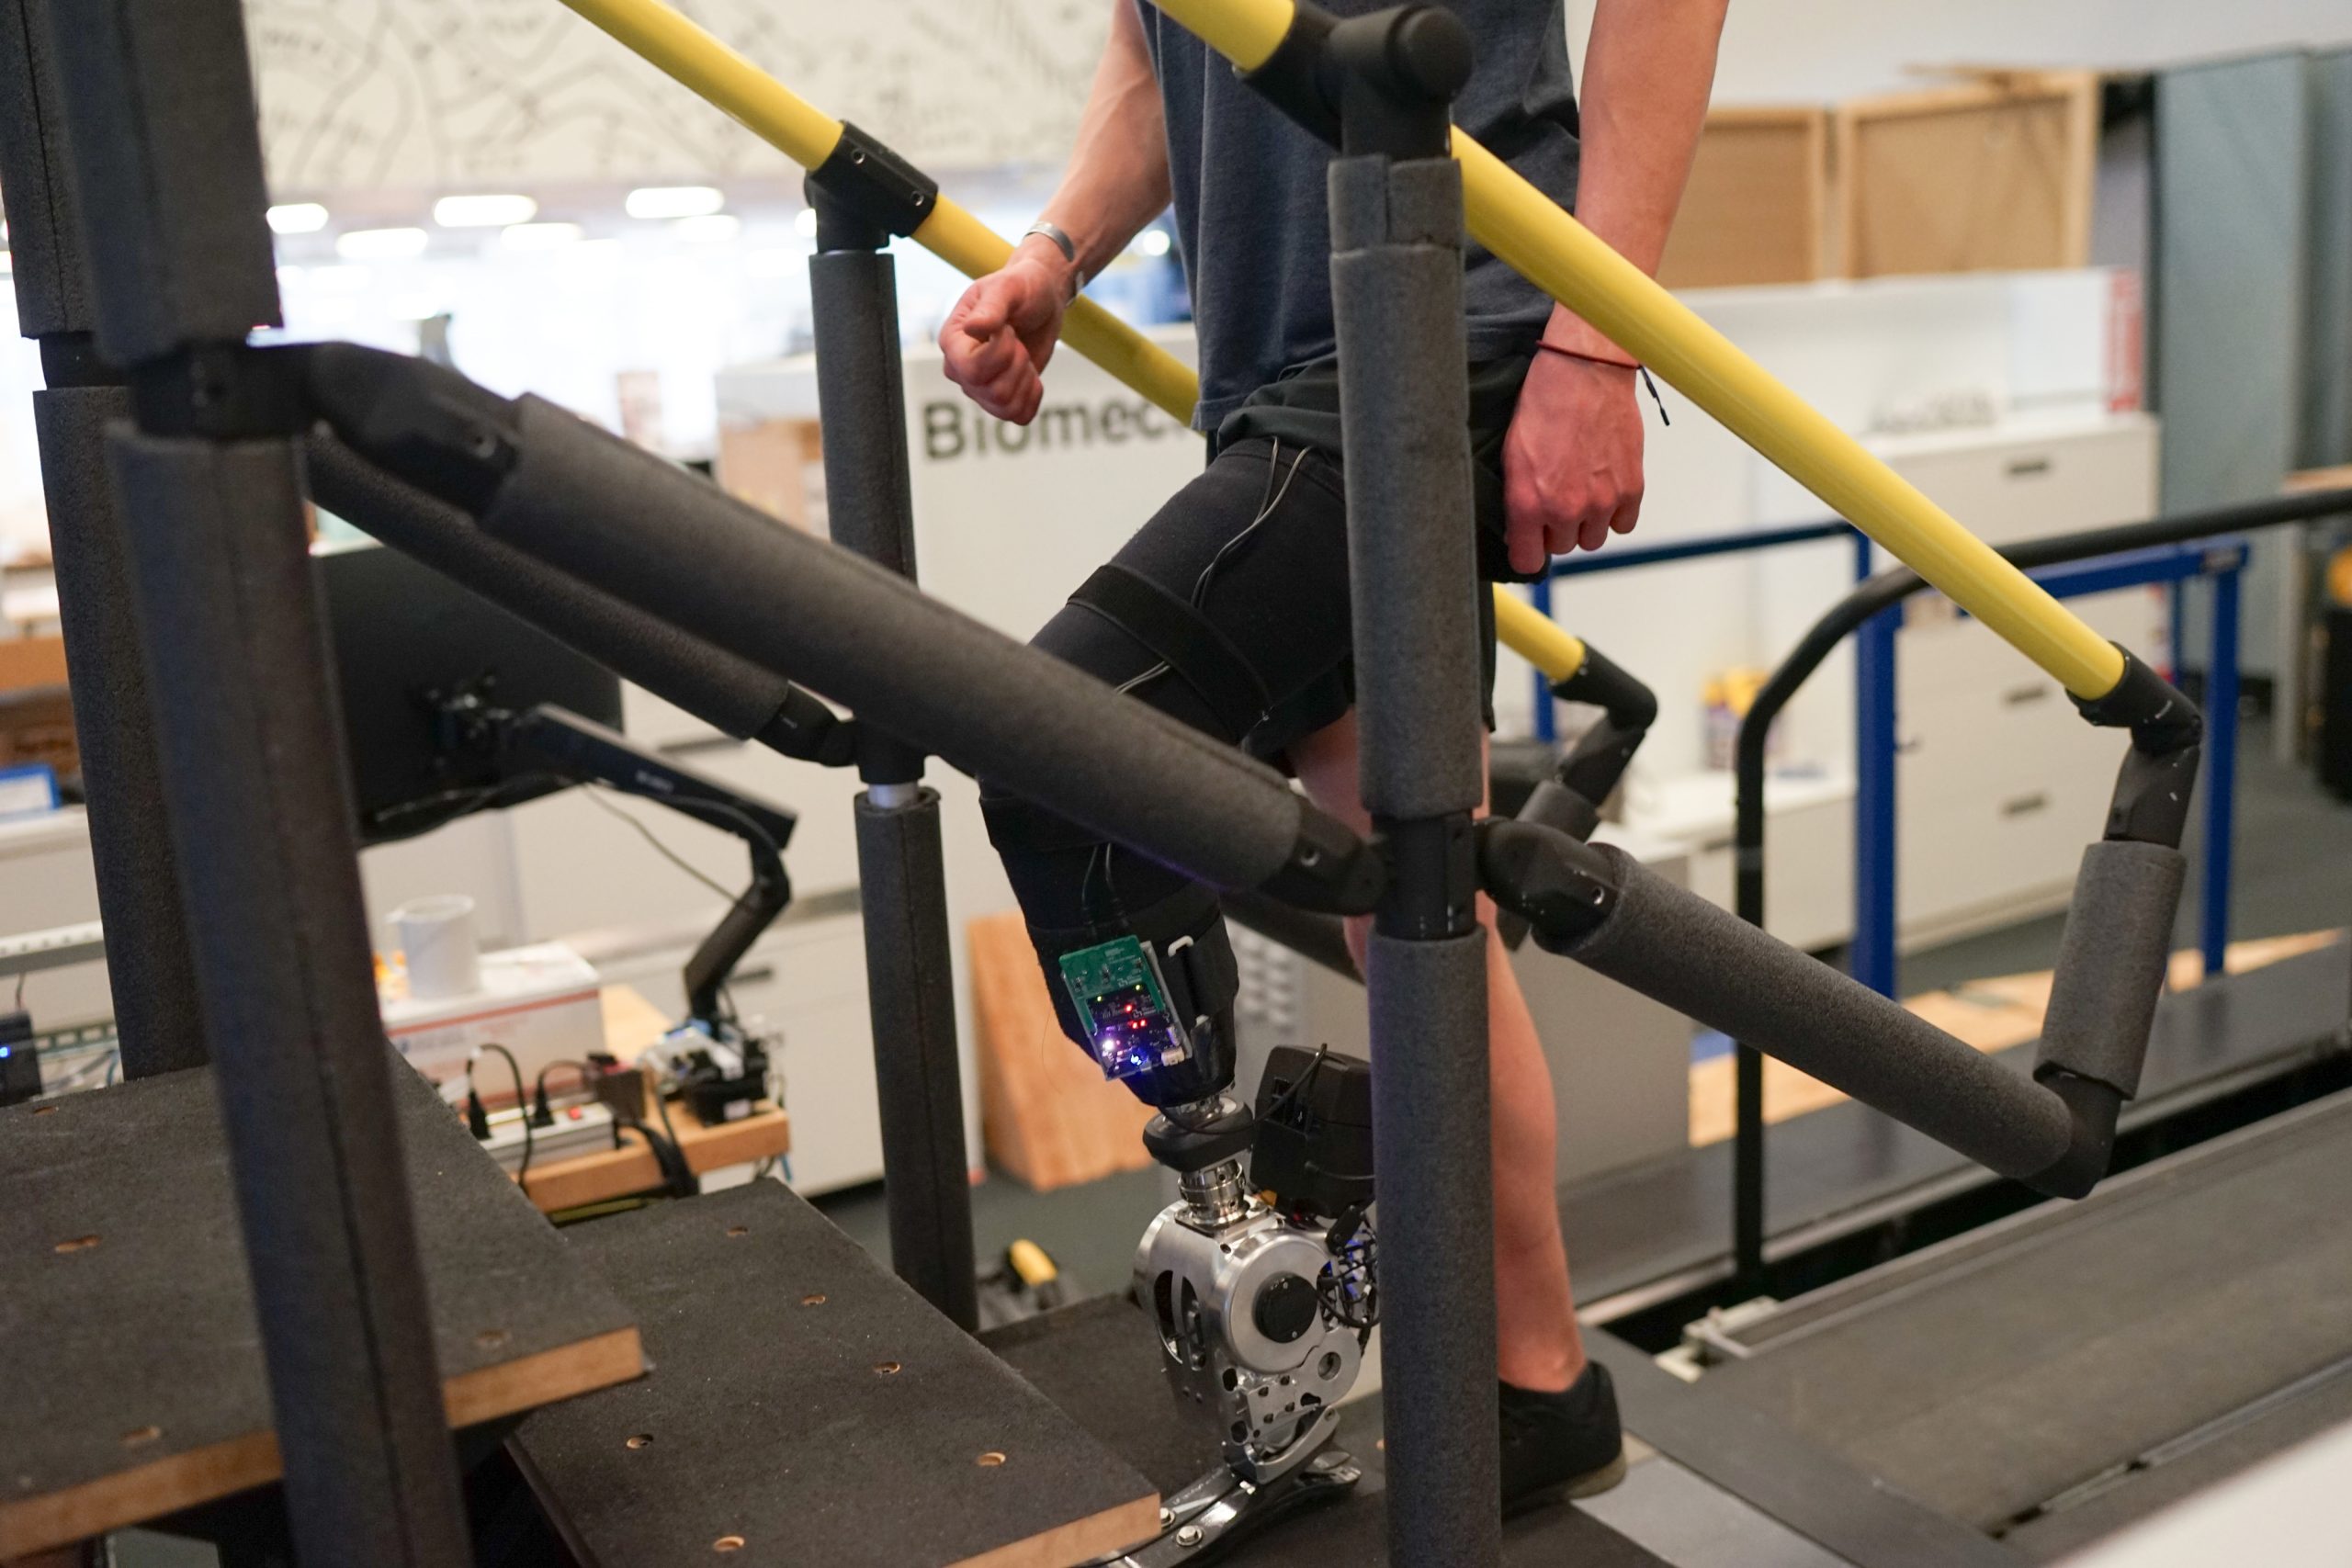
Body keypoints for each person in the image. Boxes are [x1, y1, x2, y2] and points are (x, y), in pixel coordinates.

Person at [942, 0, 1727, 1506]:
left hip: (1450, 312)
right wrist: (1054, 254)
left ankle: (1225, 1193)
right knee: (1414, 903)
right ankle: (1540, 1383)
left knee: (1065, 753)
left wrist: (1596, 338)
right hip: (1276, 371)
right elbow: (1152, 60)